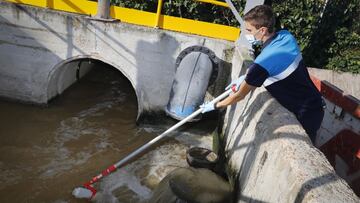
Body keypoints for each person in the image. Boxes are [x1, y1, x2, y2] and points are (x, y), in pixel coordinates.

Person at [200, 5, 324, 144]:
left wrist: (215, 105)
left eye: (249, 30)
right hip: (315, 104)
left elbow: (239, 95)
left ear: (263, 30)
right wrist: (246, 76)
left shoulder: (262, 65)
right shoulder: (286, 36)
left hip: (305, 114)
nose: (246, 34)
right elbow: (273, 62)